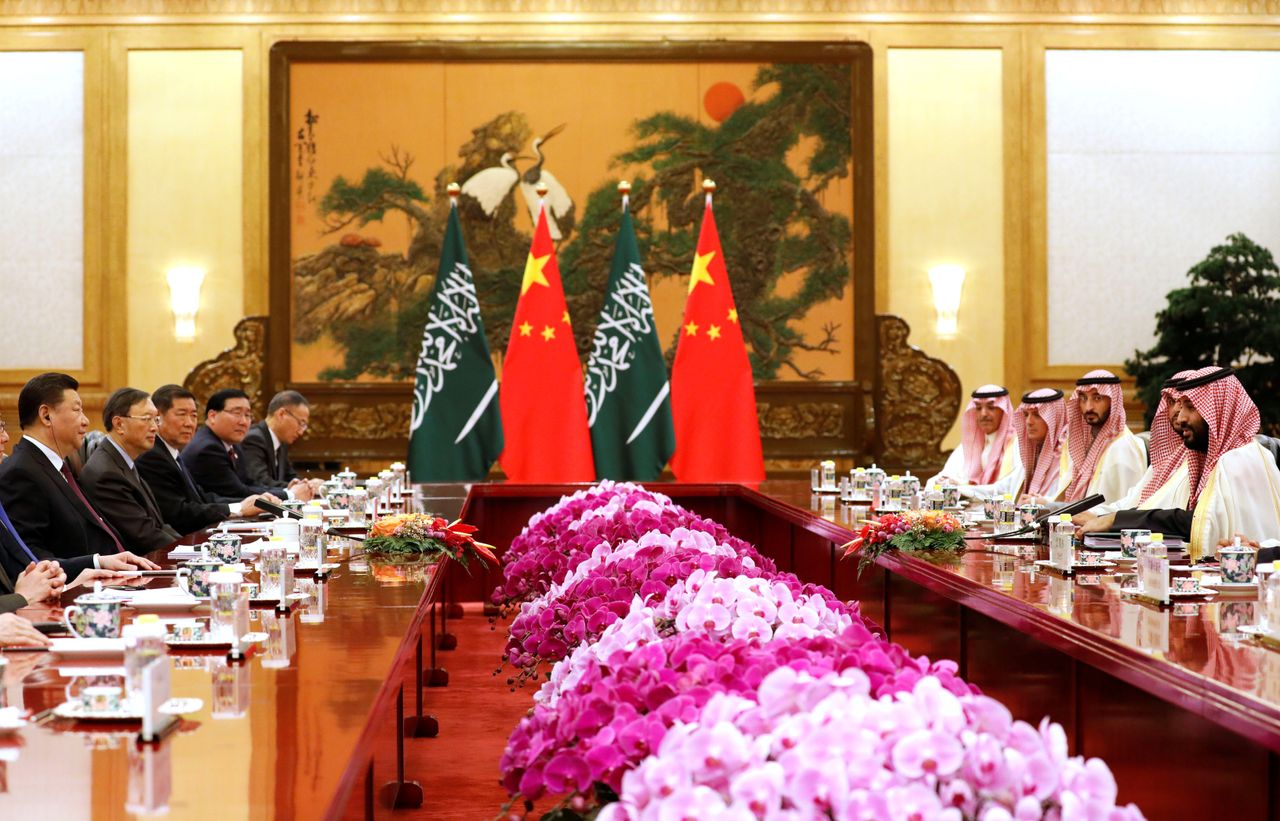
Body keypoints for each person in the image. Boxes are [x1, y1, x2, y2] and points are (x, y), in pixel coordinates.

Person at [1080, 367, 1280, 562]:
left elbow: (1199, 521)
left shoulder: (1238, 459)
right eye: (1178, 405)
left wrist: (1116, 520)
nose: (1181, 417)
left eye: (1191, 407)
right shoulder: (1222, 456)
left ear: (1218, 411)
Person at [0, 373, 159, 577]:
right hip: (76, 595)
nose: (85, 421)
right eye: (77, 410)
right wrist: (96, 563)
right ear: (46, 415)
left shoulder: (58, 465)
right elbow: (31, 559)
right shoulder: (20, 472)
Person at [136, 385, 268, 534]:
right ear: (157, 417)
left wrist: (243, 504)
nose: (189, 423)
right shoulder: (152, 456)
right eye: (182, 414)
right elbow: (178, 512)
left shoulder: (172, 452)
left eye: (193, 415)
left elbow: (202, 497)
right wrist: (238, 509)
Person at [1080, 370, 1194, 520]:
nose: (1177, 411)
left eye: (1188, 405)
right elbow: (1132, 502)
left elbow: (1166, 514)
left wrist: (1106, 520)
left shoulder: (1122, 447)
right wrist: (1096, 516)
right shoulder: (1169, 457)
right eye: (1172, 402)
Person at [79, 388, 182, 552]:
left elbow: (159, 525)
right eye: (147, 419)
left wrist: (192, 548)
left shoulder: (124, 461)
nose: (155, 427)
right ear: (119, 424)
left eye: (156, 420)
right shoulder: (106, 473)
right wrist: (190, 554)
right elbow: (144, 535)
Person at [184, 388, 311, 501]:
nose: (244, 422)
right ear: (212, 416)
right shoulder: (208, 448)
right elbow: (238, 492)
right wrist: (289, 494)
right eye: (237, 413)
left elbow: (250, 482)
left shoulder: (233, 445)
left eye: (248, 415)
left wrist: (289, 488)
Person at [1057, 370, 1147, 505]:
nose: (1088, 407)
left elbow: (1122, 509)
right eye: (1083, 398)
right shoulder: (1090, 444)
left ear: (1113, 401)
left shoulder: (1122, 447)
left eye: (1097, 398)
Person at [928, 385, 1022, 497]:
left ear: (1004, 411)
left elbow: (1007, 489)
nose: (983, 414)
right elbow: (944, 476)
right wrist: (944, 483)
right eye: (978, 408)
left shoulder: (1017, 444)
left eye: (991, 408)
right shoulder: (970, 443)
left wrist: (961, 489)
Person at [241, 390, 322, 496]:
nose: (301, 432)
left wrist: (307, 485)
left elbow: (291, 475)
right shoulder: (254, 439)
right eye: (301, 423)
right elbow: (259, 482)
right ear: (281, 414)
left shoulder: (281, 441)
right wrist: (295, 488)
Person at [1013, 388, 1067, 500]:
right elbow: (1007, 485)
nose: (1029, 422)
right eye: (1026, 415)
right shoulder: (1032, 454)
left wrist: (1041, 503)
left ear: (1055, 418)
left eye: (1037, 415)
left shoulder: (1066, 457)